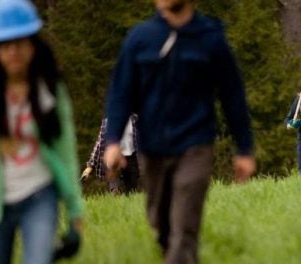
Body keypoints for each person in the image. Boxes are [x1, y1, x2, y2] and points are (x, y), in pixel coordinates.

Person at [103, 0, 256, 263]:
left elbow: (232, 96)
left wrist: (244, 149)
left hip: (195, 144)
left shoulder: (210, 37)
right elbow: (121, 93)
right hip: (152, 147)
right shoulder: (140, 38)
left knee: (184, 223)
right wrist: (113, 141)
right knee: (161, 224)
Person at [0, 0, 83, 263]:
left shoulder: (50, 89)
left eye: (20, 42)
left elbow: (65, 150)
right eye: (4, 45)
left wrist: (75, 209)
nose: (13, 51)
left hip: (39, 195)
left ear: (33, 44)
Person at [81, 114, 139, 195]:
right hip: (113, 157)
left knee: (132, 189)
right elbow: (100, 142)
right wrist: (90, 166)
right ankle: (115, 193)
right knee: (114, 188)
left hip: (130, 157)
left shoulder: (135, 119)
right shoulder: (108, 120)